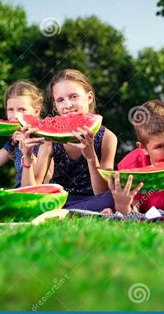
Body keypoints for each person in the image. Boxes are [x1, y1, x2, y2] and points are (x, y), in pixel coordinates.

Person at [20, 69, 117, 211]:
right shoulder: (50, 140)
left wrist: (91, 157)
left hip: (94, 200)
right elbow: (31, 192)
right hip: (58, 201)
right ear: (55, 106)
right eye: (60, 100)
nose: (68, 105)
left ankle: (68, 213)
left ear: (89, 97)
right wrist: (27, 158)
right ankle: (77, 213)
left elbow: (101, 192)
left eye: (73, 97)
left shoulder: (107, 138)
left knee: (111, 197)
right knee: (31, 203)